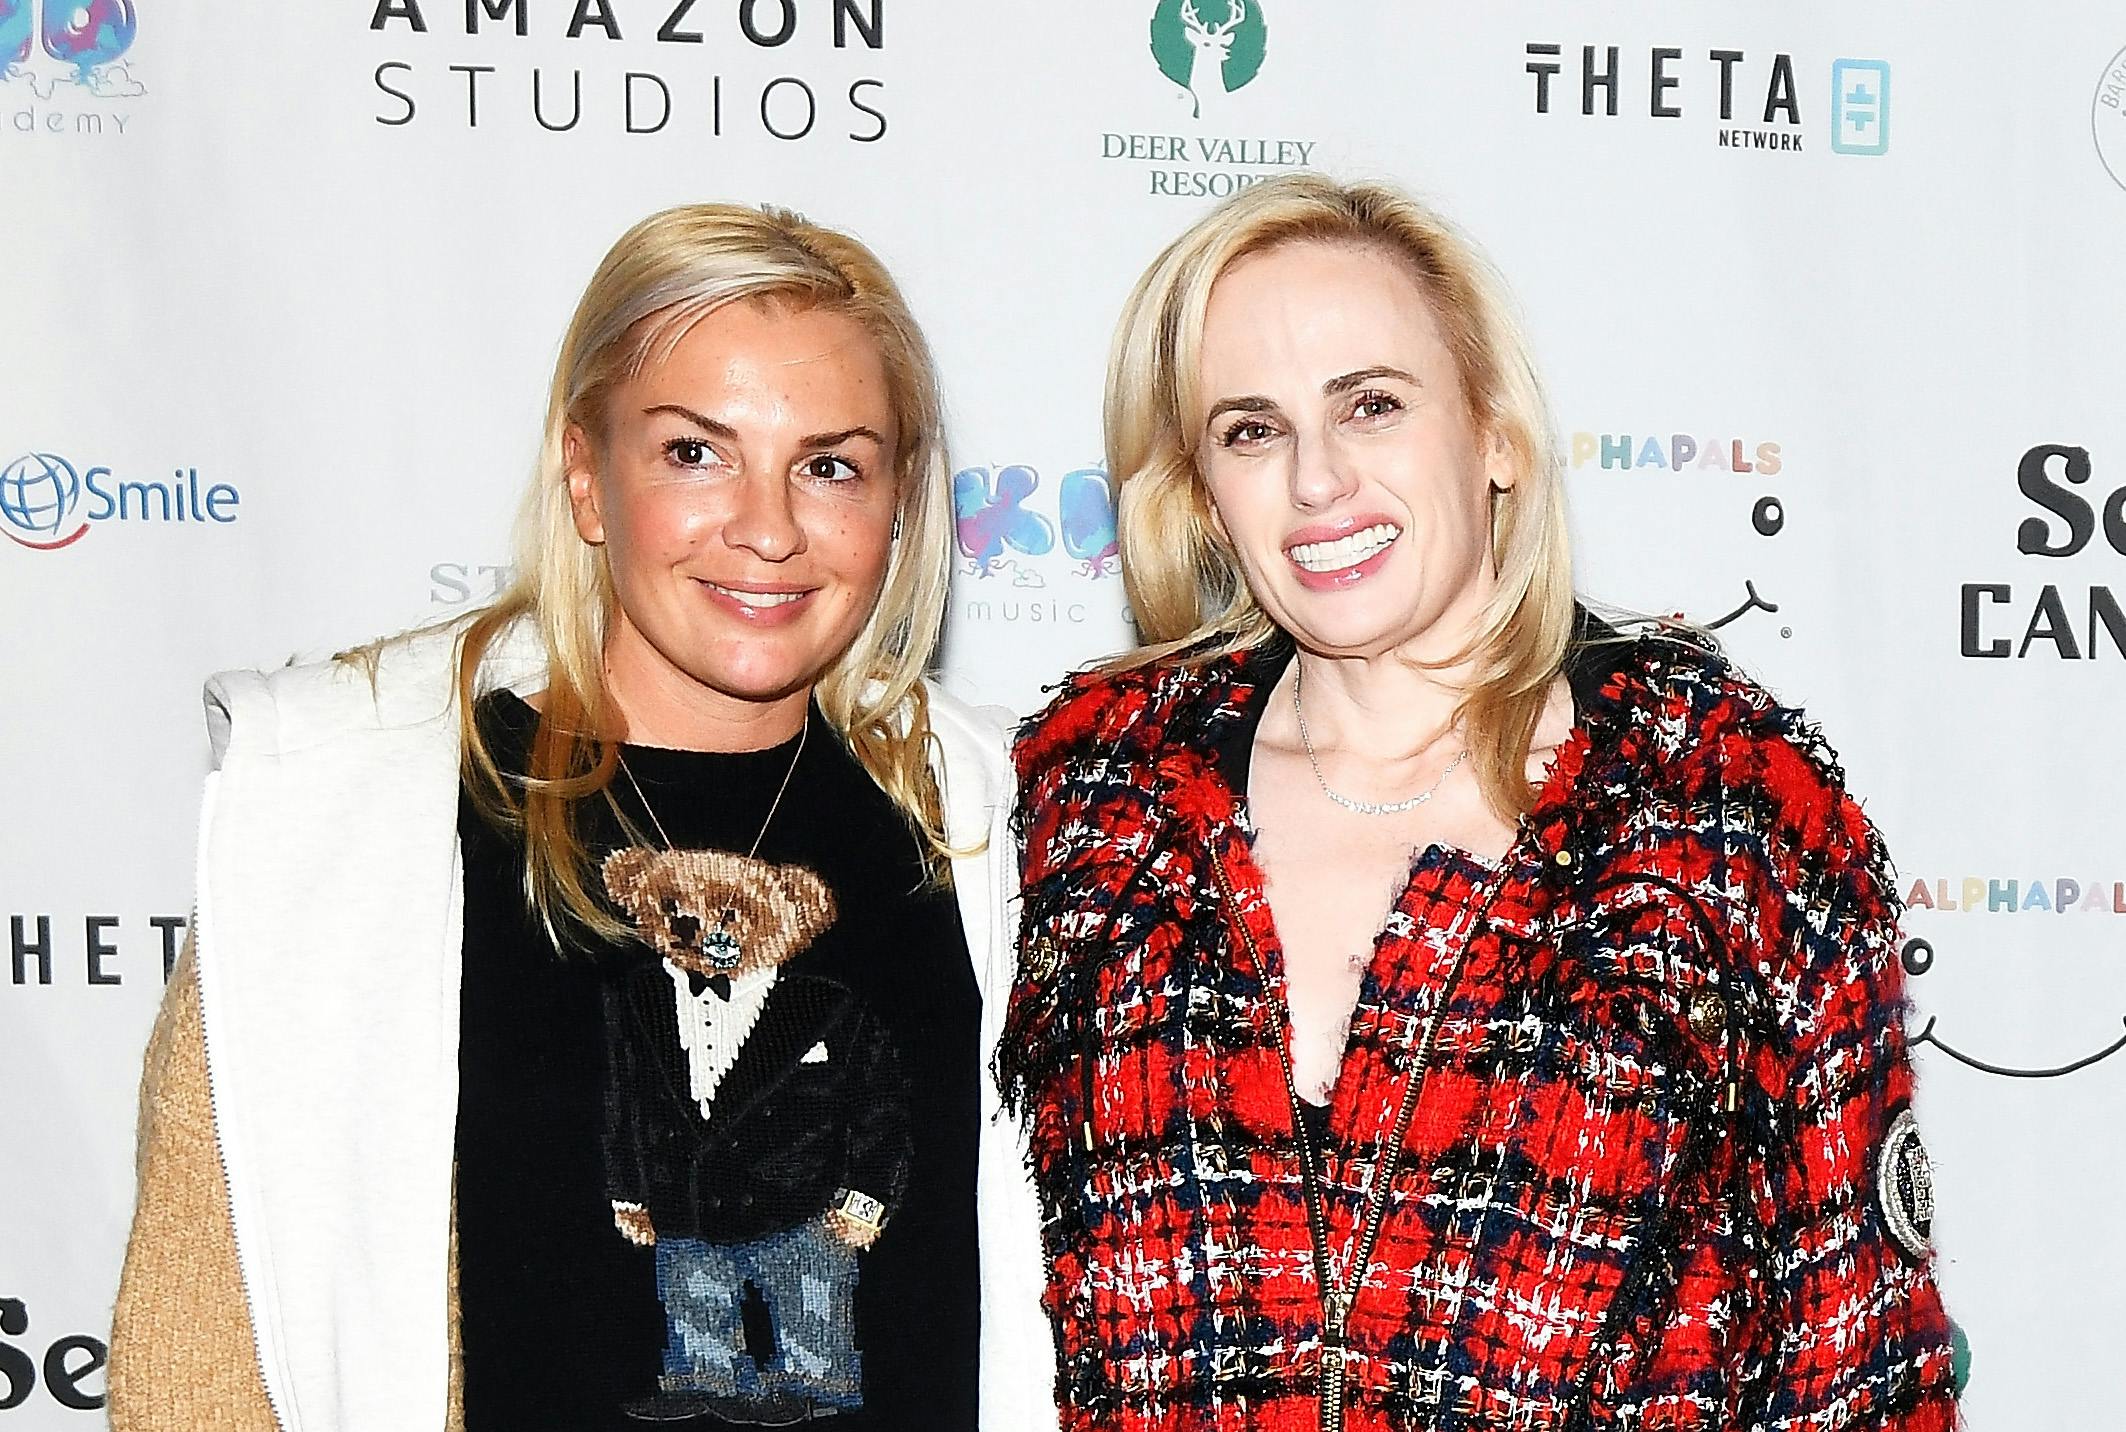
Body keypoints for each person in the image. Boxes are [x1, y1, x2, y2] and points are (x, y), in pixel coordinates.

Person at [998, 174, 1957, 1431]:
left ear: (1493, 434)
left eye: (1370, 404)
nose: (1315, 478)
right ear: (1201, 495)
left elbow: (1861, 1362)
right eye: (1251, 430)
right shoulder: (1101, 799)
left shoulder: (1719, 803)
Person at [109, 203, 1053, 1431]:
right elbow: (198, 1356)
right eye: (694, 452)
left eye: (829, 465)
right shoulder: (347, 815)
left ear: (899, 504)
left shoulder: (1003, 831)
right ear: (585, 476)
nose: (767, 528)